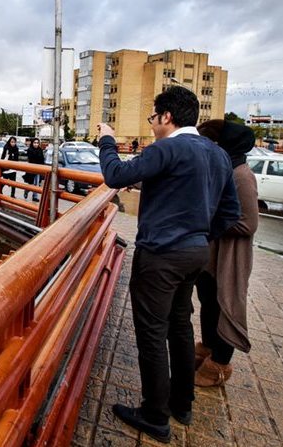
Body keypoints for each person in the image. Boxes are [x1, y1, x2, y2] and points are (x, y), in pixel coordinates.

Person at [97, 86, 240, 444]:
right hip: (195, 253)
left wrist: (107, 141)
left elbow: (115, 175)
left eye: (153, 118)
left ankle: (155, 414)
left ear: (167, 117)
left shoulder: (168, 147)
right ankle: (182, 403)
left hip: (160, 254)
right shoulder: (218, 155)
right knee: (179, 326)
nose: (153, 125)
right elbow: (230, 213)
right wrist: (199, 237)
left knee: (151, 332)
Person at [194, 120, 257, 387]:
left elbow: (248, 223)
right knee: (208, 301)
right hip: (212, 252)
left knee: (225, 305)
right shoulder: (223, 168)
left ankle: (219, 364)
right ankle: (207, 348)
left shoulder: (241, 174)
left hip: (229, 255)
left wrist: (208, 220)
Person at [23, 138, 45, 202]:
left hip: (38, 169)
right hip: (31, 169)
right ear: (32, 143)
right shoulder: (30, 150)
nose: (36, 144)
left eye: (37, 143)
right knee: (31, 184)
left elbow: (42, 159)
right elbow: (31, 160)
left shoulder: (40, 150)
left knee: (37, 183)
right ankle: (26, 190)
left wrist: (42, 168)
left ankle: (35, 196)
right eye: (34, 143)